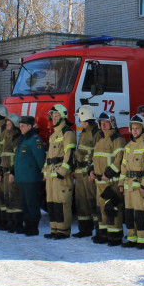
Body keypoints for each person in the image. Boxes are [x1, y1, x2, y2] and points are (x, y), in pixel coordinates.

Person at [121, 114, 144, 249]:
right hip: (129, 186)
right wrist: (121, 183)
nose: (135, 130)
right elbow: (123, 166)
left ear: (143, 128)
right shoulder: (129, 145)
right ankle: (132, 238)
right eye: (133, 128)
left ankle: (143, 240)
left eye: (137, 128)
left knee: (143, 213)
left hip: (141, 187)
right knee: (130, 214)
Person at [91, 110, 126, 246]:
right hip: (100, 181)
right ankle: (103, 234)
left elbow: (119, 160)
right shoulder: (100, 140)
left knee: (113, 209)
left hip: (111, 182)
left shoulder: (118, 139)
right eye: (101, 123)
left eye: (106, 123)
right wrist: (91, 171)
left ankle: (115, 236)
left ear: (112, 123)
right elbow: (95, 158)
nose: (103, 125)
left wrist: (108, 174)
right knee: (101, 209)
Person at [42, 103, 77, 239]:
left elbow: (70, 154)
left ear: (62, 117)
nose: (54, 118)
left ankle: (63, 231)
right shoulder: (53, 134)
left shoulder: (67, 132)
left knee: (62, 202)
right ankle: (54, 229)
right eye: (52, 116)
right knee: (51, 202)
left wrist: (62, 173)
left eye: (56, 116)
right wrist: (45, 172)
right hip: (51, 173)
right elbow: (48, 156)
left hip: (60, 175)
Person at [13, 115, 46, 236]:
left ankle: (33, 227)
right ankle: (27, 225)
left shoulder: (34, 140)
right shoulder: (23, 139)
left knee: (32, 204)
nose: (20, 128)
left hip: (32, 178)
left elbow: (40, 159)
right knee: (25, 204)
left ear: (29, 126)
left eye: (22, 126)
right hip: (22, 178)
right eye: (20, 126)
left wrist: (44, 173)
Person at [72, 106, 100, 238]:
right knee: (81, 201)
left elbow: (97, 154)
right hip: (80, 172)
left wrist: (92, 170)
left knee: (92, 201)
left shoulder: (96, 133)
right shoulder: (83, 132)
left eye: (79, 117)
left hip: (89, 174)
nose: (78, 119)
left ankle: (99, 230)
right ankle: (84, 229)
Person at [0, 113, 23, 233]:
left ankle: (17, 223)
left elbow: (17, 158)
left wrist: (13, 171)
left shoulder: (16, 138)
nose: (7, 126)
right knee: (7, 197)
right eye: (6, 124)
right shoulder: (5, 137)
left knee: (15, 199)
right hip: (5, 171)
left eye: (9, 124)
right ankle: (10, 222)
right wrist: (0, 171)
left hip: (13, 172)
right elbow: (2, 155)